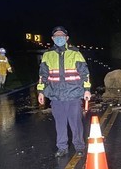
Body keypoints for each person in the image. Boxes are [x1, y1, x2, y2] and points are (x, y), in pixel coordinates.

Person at [37, 26, 92, 157]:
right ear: (52, 38)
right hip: (56, 96)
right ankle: (62, 148)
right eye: (57, 36)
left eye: (62, 35)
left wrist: (87, 90)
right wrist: (41, 92)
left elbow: (85, 74)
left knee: (75, 122)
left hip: (73, 94)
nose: (59, 38)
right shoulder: (47, 55)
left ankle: (79, 146)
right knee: (60, 123)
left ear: (67, 38)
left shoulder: (75, 53)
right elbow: (42, 76)